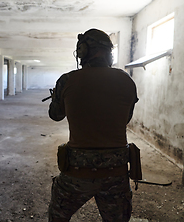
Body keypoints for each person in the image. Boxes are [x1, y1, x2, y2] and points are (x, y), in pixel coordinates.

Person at [47, 28, 138, 222]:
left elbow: (55, 116)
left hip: (77, 173)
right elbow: (126, 119)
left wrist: (58, 96)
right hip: (116, 173)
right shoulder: (126, 80)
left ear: (83, 51)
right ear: (109, 53)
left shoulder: (68, 80)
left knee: (57, 216)